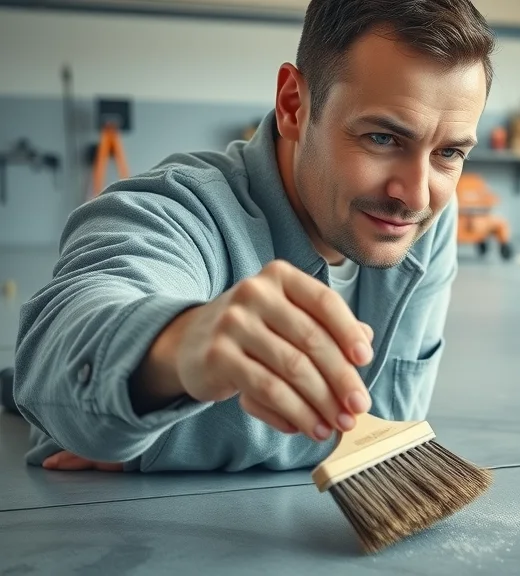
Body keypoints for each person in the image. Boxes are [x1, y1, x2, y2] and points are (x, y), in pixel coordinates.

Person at [11, 0, 495, 473]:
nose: (413, 194)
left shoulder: (423, 223)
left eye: (449, 152)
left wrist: (169, 445)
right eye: (383, 138)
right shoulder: (182, 211)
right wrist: (179, 347)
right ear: (293, 106)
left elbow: (389, 423)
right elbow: (61, 349)